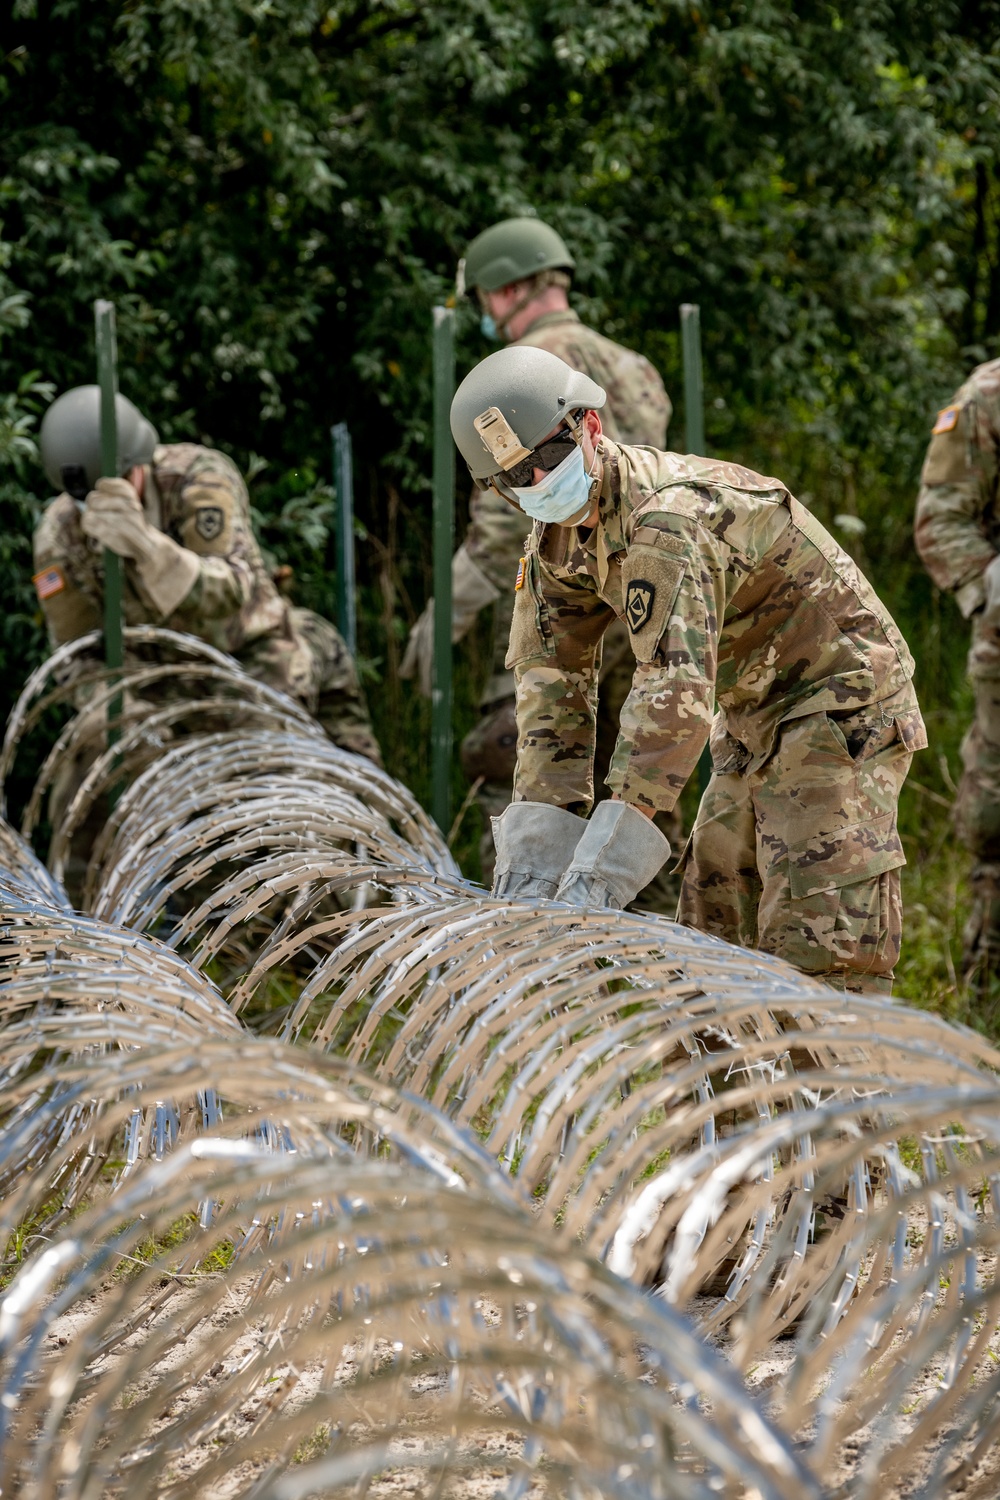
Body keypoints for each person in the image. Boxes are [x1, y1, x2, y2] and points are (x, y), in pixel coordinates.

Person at [450, 346, 926, 994]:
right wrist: (532, 875)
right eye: (514, 477)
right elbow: (550, 695)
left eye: (546, 457)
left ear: (589, 428)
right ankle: (734, 1090)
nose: (536, 481)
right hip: (754, 712)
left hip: (841, 694)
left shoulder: (666, 517)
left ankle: (848, 1083)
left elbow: (672, 693)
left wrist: (595, 879)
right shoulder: (555, 546)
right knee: (714, 921)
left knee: (817, 936)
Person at [401, 216, 672, 884]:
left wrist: (450, 608)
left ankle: (528, 921)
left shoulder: (520, 376)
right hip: (646, 593)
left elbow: (504, 531)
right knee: (632, 778)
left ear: (505, 289)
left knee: (526, 762)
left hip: (555, 593)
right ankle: (649, 938)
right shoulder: (635, 368)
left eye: (485, 298)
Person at [33, 385, 381, 764]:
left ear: (137, 464)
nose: (99, 507)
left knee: (271, 774)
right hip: (153, 683)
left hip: (247, 659)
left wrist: (148, 547)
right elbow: (77, 654)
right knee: (85, 778)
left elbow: (229, 591)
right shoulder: (59, 536)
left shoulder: (197, 480)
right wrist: (118, 709)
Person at [914, 358, 1000, 992]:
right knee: (995, 806)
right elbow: (940, 520)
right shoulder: (988, 397)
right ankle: (987, 963)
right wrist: (989, 585)